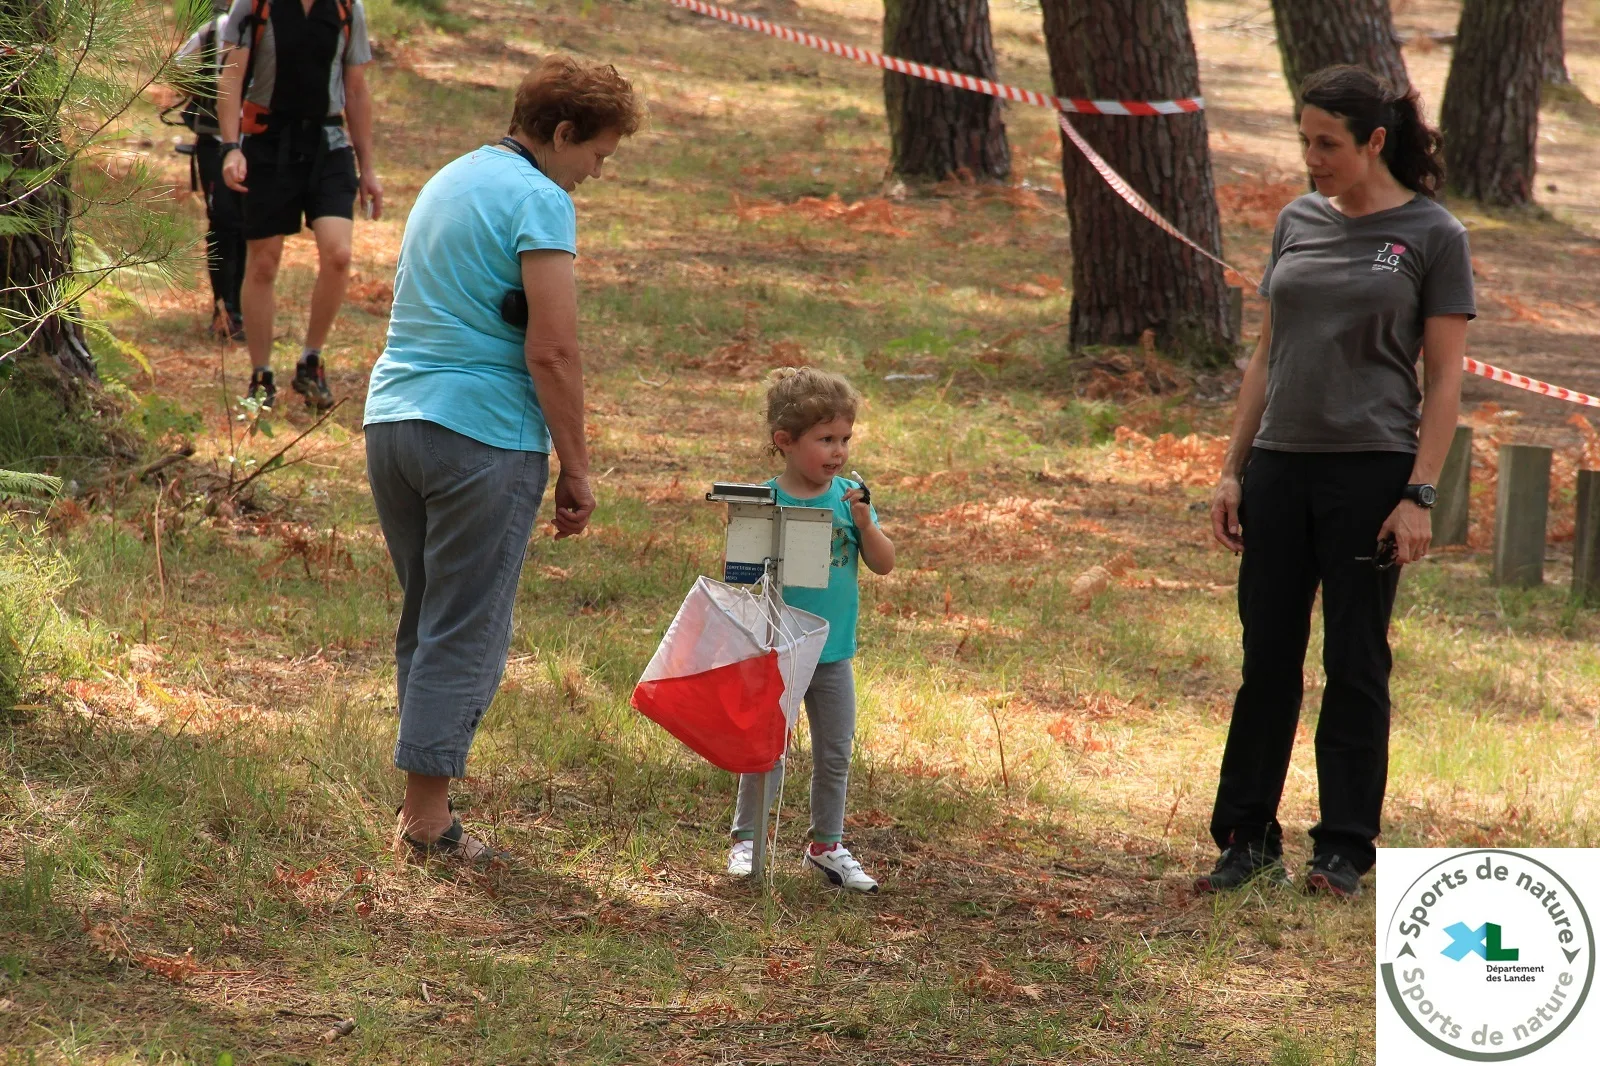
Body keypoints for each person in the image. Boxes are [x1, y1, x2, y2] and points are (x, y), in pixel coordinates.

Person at [1196, 65, 1475, 899]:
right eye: (1304, 141)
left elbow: (1447, 382)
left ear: (1374, 142)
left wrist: (1419, 492)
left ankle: (1345, 847)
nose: (1312, 158)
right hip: (1281, 468)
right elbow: (1265, 356)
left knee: (1355, 662)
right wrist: (1232, 470)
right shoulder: (1296, 221)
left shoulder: (1433, 235)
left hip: (1371, 473)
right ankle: (1247, 837)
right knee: (1266, 660)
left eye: (1328, 143)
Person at [363, 56, 641, 860]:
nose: (595, 173)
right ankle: (428, 822)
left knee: (429, 614)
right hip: (481, 436)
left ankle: (424, 800)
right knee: (466, 625)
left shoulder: (450, 178)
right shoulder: (539, 199)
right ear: (561, 133)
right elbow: (553, 349)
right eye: (597, 154)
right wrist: (579, 467)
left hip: (395, 424)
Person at [726, 368, 896, 893]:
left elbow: (884, 563)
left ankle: (826, 844)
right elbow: (742, 573)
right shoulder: (767, 499)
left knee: (835, 751)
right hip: (780, 649)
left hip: (834, 651)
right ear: (785, 441)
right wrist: (747, 527)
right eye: (825, 439)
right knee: (767, 747)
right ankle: (747, 839)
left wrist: (867, 524)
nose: (838, 451)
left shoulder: (850, 498)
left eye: (844, 439)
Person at [215, 0, 383, 411]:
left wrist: (369, 170)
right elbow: (230, 80)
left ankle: (311, 361)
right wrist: (231, 148)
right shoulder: (254, 6)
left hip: (329, 145)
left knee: (339, 254)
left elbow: (357, 90)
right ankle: (261, 376)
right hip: (268, 145)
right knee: (264, 263)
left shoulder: (347, 8)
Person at [169, 0, 247, 343]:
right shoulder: (213, 32)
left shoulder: (260, 29)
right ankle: (223, 307)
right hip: (215, 144)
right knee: (224, 223)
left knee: (246, 226)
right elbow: (177, 69)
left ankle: (237, 307)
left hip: (259, 143)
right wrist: (203, 92)